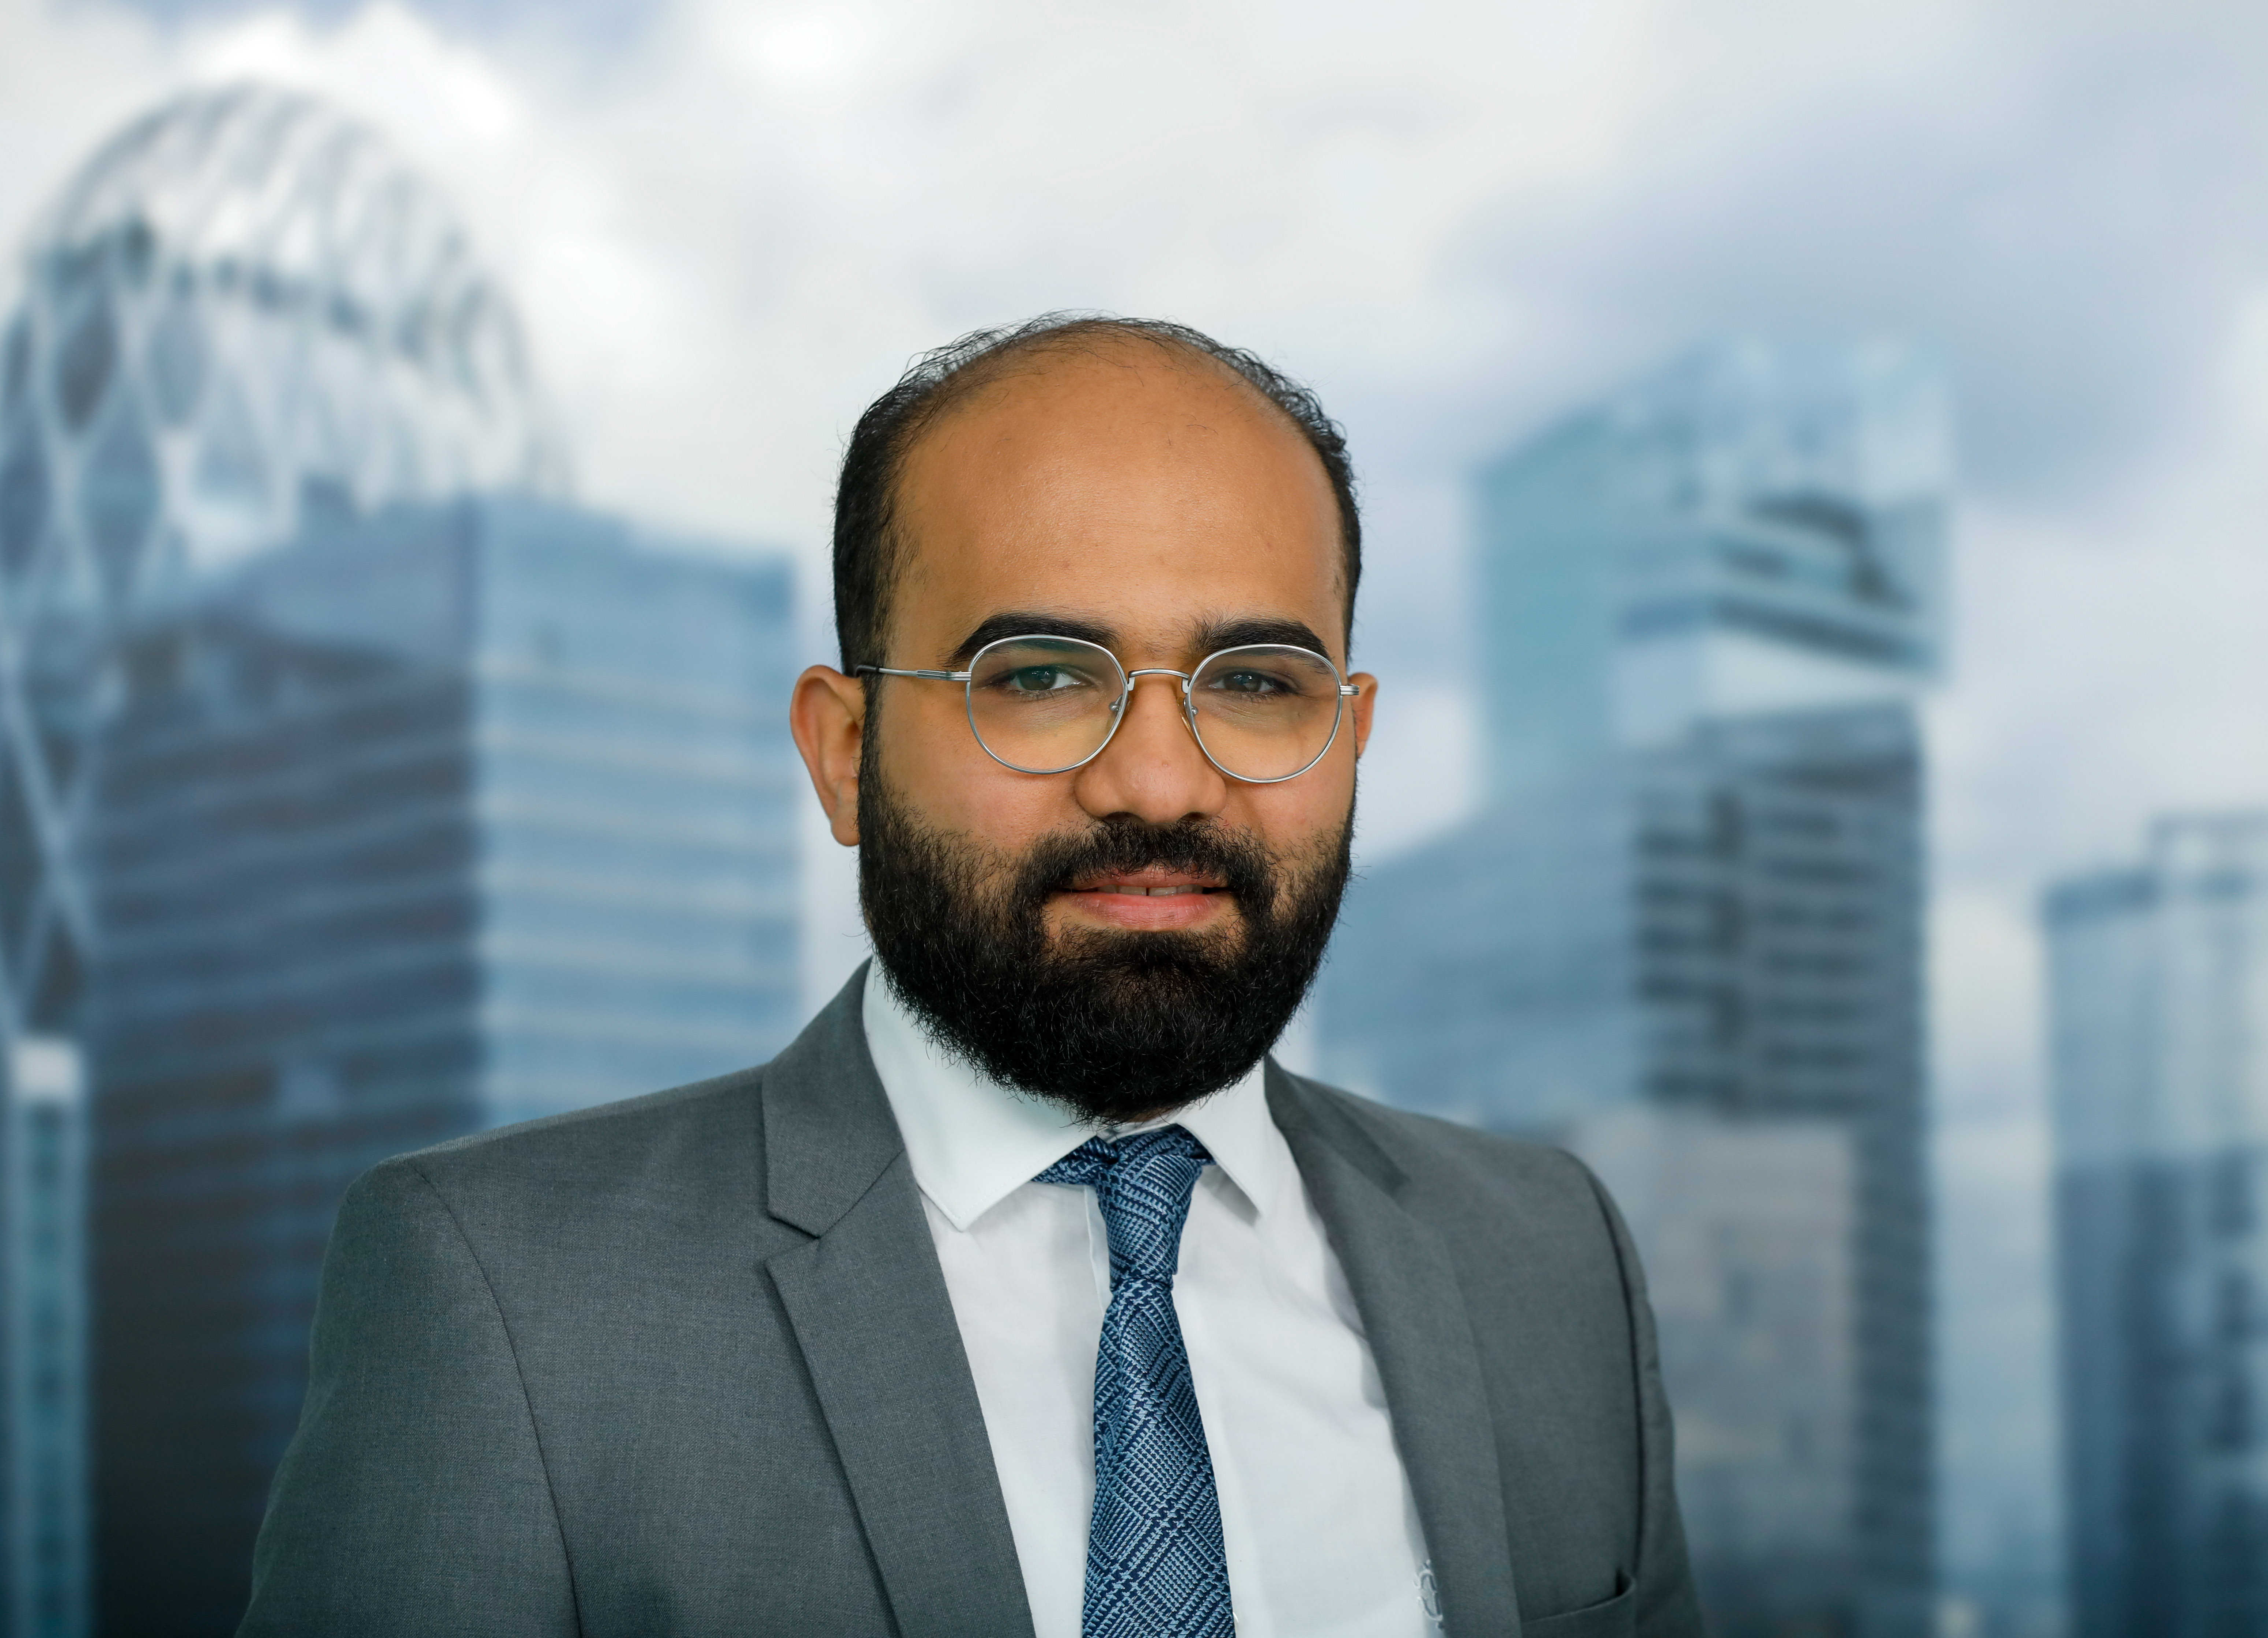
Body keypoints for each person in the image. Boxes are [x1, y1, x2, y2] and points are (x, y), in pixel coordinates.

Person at [240, 314, 1702, 1638]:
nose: (1161, 780)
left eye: (1256, 682)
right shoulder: (506, 1296)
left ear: (1352, 732)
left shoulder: (1546, 1253)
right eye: (1043, 675)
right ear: (845, 752)